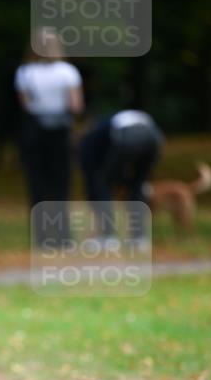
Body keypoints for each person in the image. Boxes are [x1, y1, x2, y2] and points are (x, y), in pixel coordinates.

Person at [14, 29, 83, 246]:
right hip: (60, 131)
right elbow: (75, 105)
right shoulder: (68, 72)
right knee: (61, 183)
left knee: (37, 184)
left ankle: (41, 237)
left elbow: (25, 105)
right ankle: (63, 236)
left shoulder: (25, 72)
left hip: (35, 131)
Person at [79, 110, 162, 248]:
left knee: (101, 183)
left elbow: (89, 166)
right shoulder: (113, 120)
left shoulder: (95, 131)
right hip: (154, 138)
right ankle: (140, 238)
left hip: (127, 137)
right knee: (137, 185)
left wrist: (94, 189)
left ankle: (107, 236)